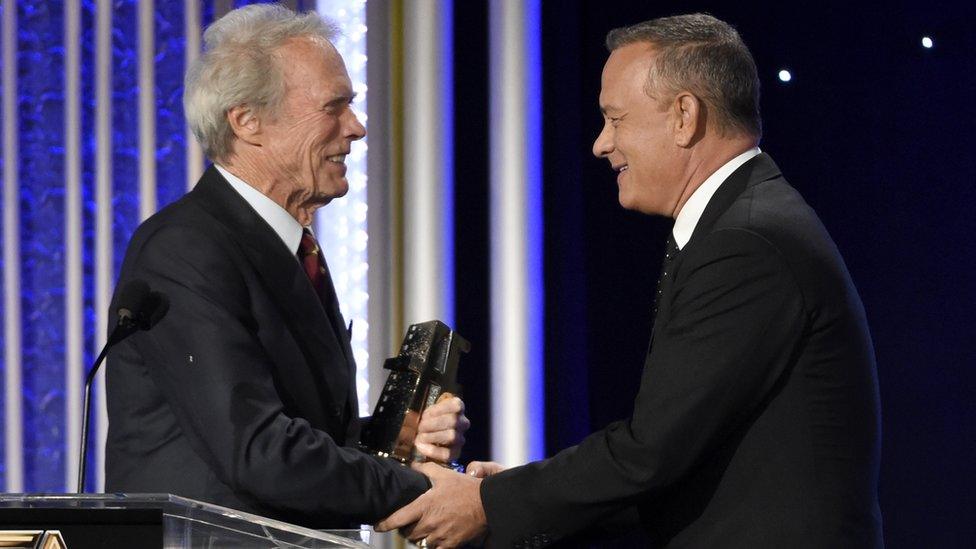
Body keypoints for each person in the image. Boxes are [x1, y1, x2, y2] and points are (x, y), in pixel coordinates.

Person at [377, 13, 883, 548]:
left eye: (615, 119)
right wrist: (516, 494)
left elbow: (652, 453)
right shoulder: (741, 222)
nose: (601, 143)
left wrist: (488, 505)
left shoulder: (748, 244)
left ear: (684, 116)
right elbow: (679, 464)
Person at [105, 4, 468, 528]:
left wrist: (395, 444)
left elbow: (299, 432)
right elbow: (259, 451)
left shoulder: (289, 248)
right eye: (334, 107)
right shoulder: (185, 250)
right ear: (248, 121)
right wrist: (424, 490)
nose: (358, 127)